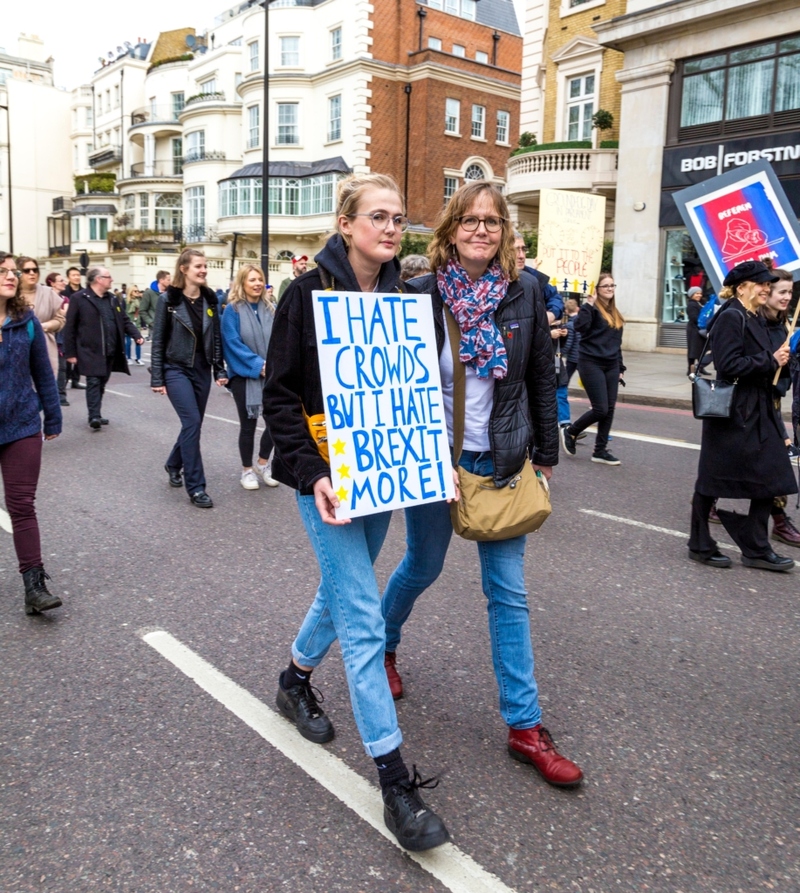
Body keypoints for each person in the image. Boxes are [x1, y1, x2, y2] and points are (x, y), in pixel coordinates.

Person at [263, 173, 450, 852]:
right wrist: (312, 473)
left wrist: (430, 460)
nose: (392, 227)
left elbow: (416, 390)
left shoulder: (408, 298)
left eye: (400, 217)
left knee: (342, 591)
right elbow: (278, 396)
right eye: (378, 216)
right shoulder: (305, 292)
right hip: (327, 481)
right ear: (346, 224)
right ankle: (395, 782)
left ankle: (293, 678)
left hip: (381, 473)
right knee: (363, 615)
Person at [381, 180, 583, 789]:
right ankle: (383, 647)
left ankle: (525, 726)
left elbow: (540, 380)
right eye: (469, 220)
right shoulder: (415, 294)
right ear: (450, 230)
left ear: (504, 234)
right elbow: (395, 384)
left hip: (501, 458)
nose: (481, 230)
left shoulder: (525, 293)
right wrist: (418, 455)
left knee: (508, 593)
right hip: (431, 459)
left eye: (492, 222)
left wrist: (545, 454)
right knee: (422, 565)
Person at [688, 261, 796, 573]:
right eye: (761, 284)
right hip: (734, 412)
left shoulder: (754, 317)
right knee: (712, 479)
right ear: (742, 287)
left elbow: (765, 361)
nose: (766, 289)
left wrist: (782, 361)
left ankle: (755, 547)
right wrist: (769, 359)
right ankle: (700, 543)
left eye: (768, 284)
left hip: (758, 409)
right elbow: (728, 365)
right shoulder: (731, 316)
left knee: (772, 478)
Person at [0, 254, 63, 614]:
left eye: (15, 272)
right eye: (4, 272)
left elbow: (43, 372)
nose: (13, 276)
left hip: (22, 424)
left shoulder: (26, 322)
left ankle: (34, 586)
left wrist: (52, 419)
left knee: (22, 505)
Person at [150, 249, 228, 508]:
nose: (203, 270)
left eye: (205, 266)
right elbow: (159, 340)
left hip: (201, 369)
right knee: (192, 421)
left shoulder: (210, 300)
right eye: (198, 266)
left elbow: (215, 337)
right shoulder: (168, 300)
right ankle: (196, 487)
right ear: (184, 269)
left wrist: (219, 369)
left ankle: (173, 463)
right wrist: (157, 377)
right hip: (176, 368)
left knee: (192, 425)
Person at [63, 266, 143, 430]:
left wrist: (137, 335)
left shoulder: (113, 299)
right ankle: (93, 416)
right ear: (98, 279)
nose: (111, 279)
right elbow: (70, 326)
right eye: (108, 277)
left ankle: (97, 413)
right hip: (89, 349)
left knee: (102, 381)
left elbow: (124, 320)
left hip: (110, 348)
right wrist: (70, 352)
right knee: (93, 380)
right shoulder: (80, 298)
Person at [220, 264, 278, 490]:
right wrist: (258, 365)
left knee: (276, 421)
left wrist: (274, 364)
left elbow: (279, 339)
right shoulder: (232, 310)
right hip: (244, 376)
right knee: (248, 425)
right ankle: (247, 470)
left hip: (271, 373)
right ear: (242, 283)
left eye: (260, 279)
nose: (257, 284)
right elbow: (232, 344)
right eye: (252, 280)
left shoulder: (270, 307)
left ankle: (263, 463)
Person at [560, 272, 625, 465]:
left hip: (611, 363)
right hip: (591, 362)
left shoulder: (614, 312)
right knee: (600, 409)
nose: (610, 289)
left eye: (612, 285)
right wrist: (588, 304)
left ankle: (600, 450)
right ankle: (571, 431)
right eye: (606, 286)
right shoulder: (591, 309)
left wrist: (620, 366)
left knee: (610, 409)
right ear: (597, 290)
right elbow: (579, 327)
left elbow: (616, 342)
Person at [761, 268, 800, 547]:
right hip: (754, 404)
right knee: (774, 467)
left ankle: (777, 521)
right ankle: (779, 522)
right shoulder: (755, 321)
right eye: (782, 292)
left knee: (764, 465)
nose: (787, 297)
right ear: (768, 293)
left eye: (790, 292)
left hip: (771, 401)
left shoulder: (782, 322)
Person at [17, 256, 65, 380]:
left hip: (45, 347)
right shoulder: (11, 294)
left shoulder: (48, 293)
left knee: (45, 386)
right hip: (17, 349)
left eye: (35, 270)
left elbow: (60, 319)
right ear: (18, 273)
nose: (32, 273)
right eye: (27, 270)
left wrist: (45, 326)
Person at [513, 232, 564, 322]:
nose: (521, 256)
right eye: (516, 250)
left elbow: (555, 296)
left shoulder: (534, 277)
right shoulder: (491, 281)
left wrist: (552, 314)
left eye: (523, 249)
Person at [45, 272, 70, 406]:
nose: (64, 283)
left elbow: (64, 313)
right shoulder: (45, 297)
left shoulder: (65, 299)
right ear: (52, 283)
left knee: (62, 366)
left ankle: (61, 395)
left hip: (60, 335)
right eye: (60, 280)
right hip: (46, 334)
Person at [61, 267, 84, 389]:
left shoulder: (85, 292)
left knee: (81, 354)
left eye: (78, 275)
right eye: (74, 275)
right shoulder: (64, 292)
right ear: (68, 277)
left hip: (81, 327)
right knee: (67, 354)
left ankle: (75, 380)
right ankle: (65, 379)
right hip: (67, 326)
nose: (76, 277)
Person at [140, 270, 170, 339]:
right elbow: (142, 310)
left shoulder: (169, 293)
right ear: (161, 280)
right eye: (168, 280)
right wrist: (151, 322)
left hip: (169, 327)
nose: (170, 282)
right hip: (155, 328)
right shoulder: (149, 293)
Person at [685, 286, 705, 376]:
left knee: (700, 350)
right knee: (693, 350)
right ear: (691, 295)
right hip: (693, 330)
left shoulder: (698, 303)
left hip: (698, 329)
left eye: (700, 293)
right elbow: (694, 318)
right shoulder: (692, 305)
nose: (699, 295)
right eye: (697, 293)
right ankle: (690, 369)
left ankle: (700, 367)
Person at [125, 286, 145, 365]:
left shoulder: (139, 301)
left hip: (137, 323)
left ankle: (138, 358)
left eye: (138, 291)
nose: (137, 292)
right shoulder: (126, 301)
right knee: (128, 342)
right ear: (131, 292)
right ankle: (128, 358)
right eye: (135, 291)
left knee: (139, 340)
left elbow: (141, 311)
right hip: (128, 323)